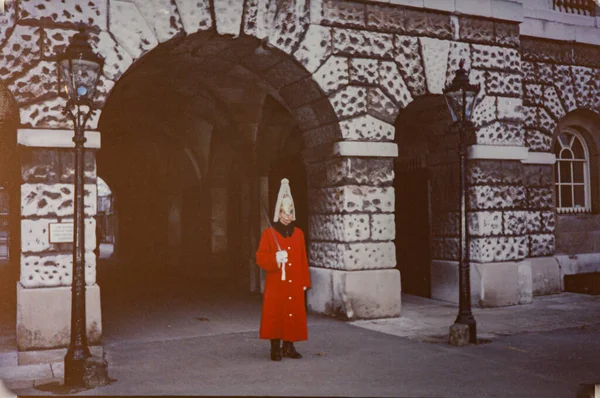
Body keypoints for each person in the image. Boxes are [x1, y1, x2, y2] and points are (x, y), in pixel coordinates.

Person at [256, 178, 311, 361]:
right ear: (278, 212)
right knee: (276, 314)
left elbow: (303, 258)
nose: (288, 216)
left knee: (292, 314)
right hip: (276, 283)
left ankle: (289, 346)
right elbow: (260, 258)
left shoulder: (299, 234)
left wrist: (304, 281)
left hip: (294, 281)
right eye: (284, 212)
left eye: (291, 212)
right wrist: (274, 258)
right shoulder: (269, 234)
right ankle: (275, 347)